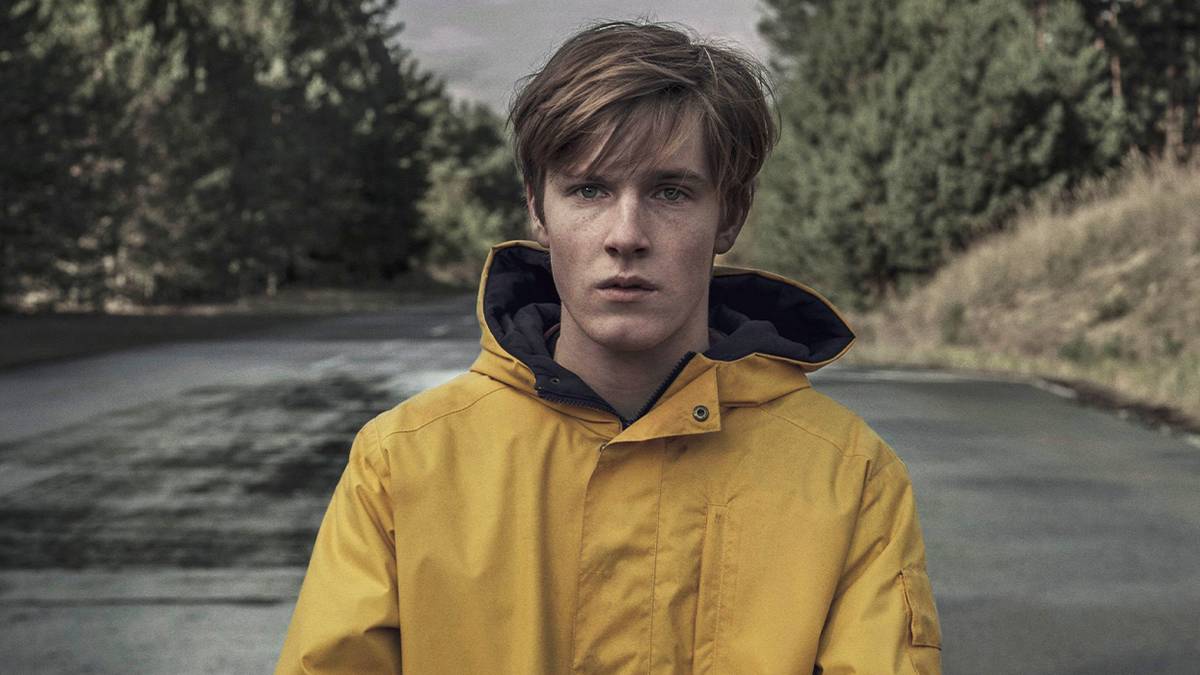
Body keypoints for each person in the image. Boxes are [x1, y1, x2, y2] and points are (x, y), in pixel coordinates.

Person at [276, 20, 941, 674]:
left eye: (670, 191)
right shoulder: (402, 466)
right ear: (538, 207)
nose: (627, 233)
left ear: (729, 214)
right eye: (589, 188)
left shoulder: (850, 478)